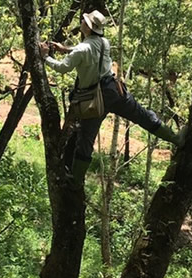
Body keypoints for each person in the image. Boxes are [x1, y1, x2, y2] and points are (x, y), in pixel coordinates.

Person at [43, 10, 181, 189]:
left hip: (94, 99)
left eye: (85, 21)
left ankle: (75, 181)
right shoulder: (104, 42)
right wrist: (64, 49)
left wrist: (46, 56)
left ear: (88, 27)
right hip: (114, 90)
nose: (82, 22)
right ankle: (175, 138)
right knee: (142, 115)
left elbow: (63, 68)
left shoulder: (81, 49)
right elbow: (86, 51)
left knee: (86, 138)